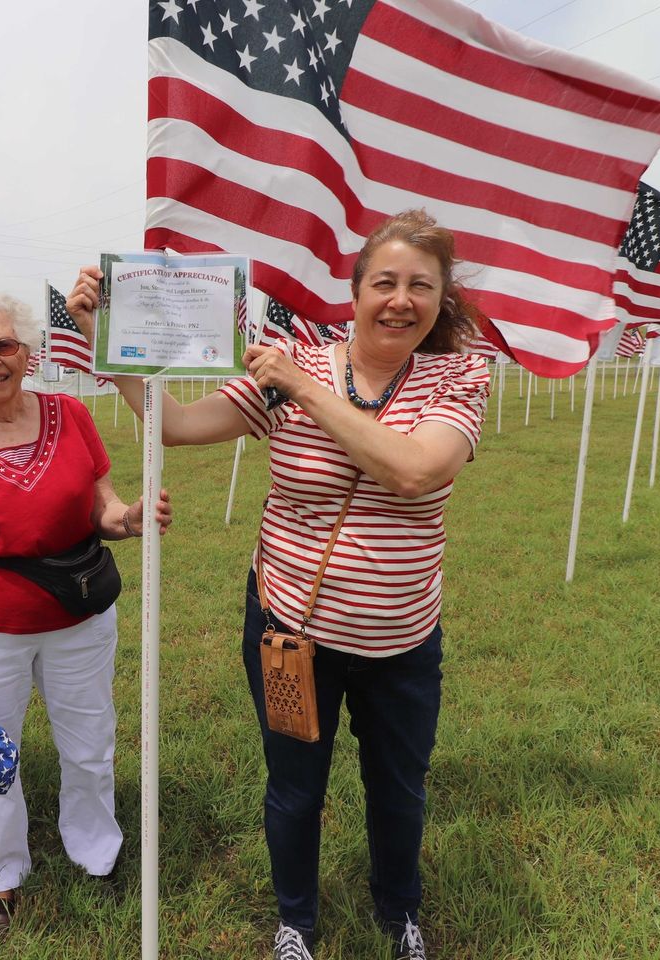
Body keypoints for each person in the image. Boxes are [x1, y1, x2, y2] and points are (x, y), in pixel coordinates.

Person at [67, 210, 489, 960]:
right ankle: (296, 920)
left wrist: (299, 382)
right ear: (355, 292)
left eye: (420, 287)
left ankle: (400, 912)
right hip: (291, 628)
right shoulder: (291, 364)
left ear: (441, 299)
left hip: (402, 640)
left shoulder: (458, 374)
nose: (400, 300)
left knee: (399, 788)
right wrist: (114, 340)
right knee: (295, 787)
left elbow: (418, 468)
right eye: (384, 282)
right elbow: (179, 424)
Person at [0, 291, 172, 937]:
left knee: (89, 744)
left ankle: (95, 851)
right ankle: (1, 874)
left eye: (5, 345)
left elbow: (99, 506)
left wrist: (127, 520)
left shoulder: (71, 414)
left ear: (30, 352)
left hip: (77, 619)